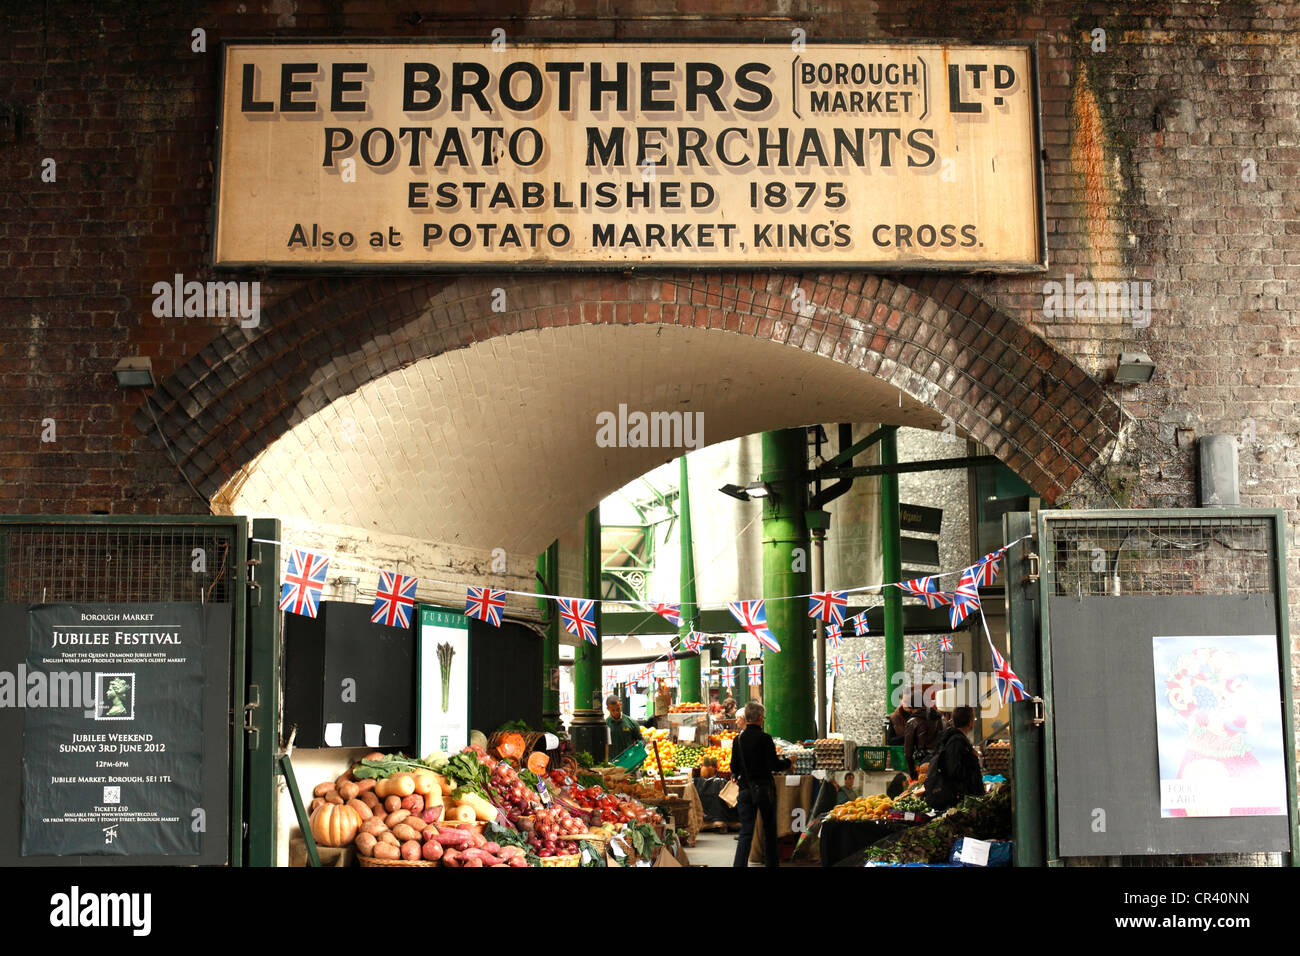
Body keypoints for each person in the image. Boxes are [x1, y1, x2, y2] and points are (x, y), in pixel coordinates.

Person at [731, 701, 792, 868]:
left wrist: (737, 774)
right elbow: (774, 765)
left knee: (745, 832)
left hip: (745, 790)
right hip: (765, 790)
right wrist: (788, 762)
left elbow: (733, 767)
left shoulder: (738, 740)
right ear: (759, 718)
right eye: (763, 717)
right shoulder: (765, 739)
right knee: (769, 831)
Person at [923, 705, 985, 812]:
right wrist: (972, 760)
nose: (974, 722)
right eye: (973, 719)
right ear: (970, 723)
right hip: (958, 799)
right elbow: (954, 770)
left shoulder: (954, 739)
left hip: (958, 797)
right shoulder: (956, 741)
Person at [904, 706, 944, 780]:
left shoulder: (913, 721)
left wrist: (913, 774)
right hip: (941, 762)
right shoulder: (938, 717)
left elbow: (908, 752)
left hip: (924, 764)